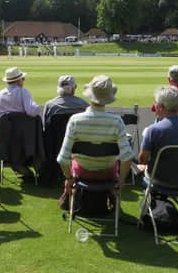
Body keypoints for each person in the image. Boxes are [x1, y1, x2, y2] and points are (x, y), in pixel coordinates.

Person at [56, 75, 135, 207]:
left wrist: (69, 178)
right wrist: (120, 182)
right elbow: (127, 158)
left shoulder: (75, 120)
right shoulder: (116, 122)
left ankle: (68, 194)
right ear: (108, 98)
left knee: (75, 162)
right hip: (108, 173)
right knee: (112, 164)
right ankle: (112, 194)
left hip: (81, 173)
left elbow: (62, 159)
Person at [137, 86, 178, 185]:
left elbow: (142, 160)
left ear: (160, 106)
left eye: (155, 103)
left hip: (159, 179)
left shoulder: (153, 130)